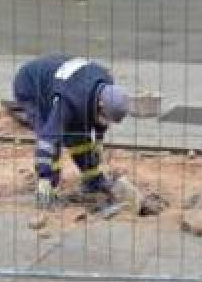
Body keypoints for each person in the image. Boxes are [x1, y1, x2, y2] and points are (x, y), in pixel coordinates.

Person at [11, 54, 138, 210]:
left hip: (62, 82)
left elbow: (99, 120)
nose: (106, 122)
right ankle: (48, 189)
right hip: (31, 87)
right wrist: (44, 176)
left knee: (79, 135)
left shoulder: (106, 85)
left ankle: (92, 180)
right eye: (105, 117)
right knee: (53, 137)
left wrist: (98, 138)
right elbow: (47, 140)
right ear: (100, 104)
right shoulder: (68, 101)